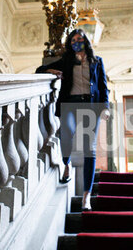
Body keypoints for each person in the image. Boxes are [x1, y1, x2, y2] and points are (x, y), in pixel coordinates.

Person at [36, 29, 110, 210]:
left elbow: (103, 86)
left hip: (91, 106)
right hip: (70, 103)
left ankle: (87, 196)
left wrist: (105, 107)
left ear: (86, 41)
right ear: (70, 44)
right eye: (73, 40)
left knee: (89, 150)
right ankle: (66, 164)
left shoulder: (97, 61)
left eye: (80, 39)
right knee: (67, 132)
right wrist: (51, 70)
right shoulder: (67, 61)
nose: (77, 42)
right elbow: (40, 69)